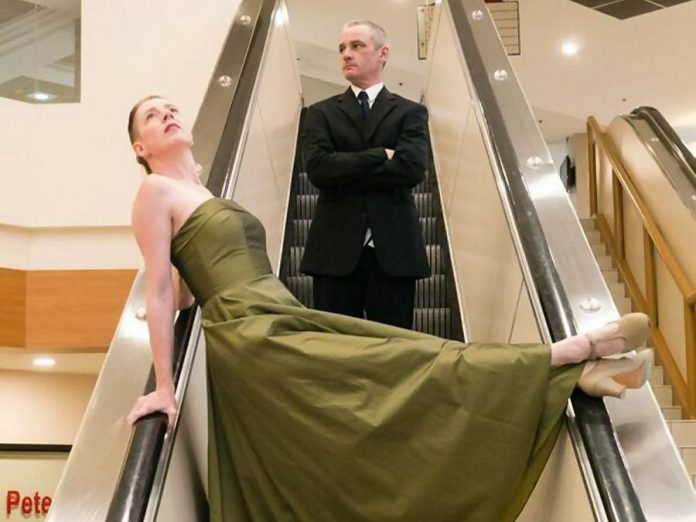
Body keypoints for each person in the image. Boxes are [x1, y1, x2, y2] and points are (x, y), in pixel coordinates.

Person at [125, 95, 654, 522]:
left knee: (404, 348)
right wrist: (166, 390)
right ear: (139, 145)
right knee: (397, 363)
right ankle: (569, 355)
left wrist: (185, 287)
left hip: (276, 310)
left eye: (171, 108)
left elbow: (188, 278)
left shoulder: (202, 190)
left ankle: (570, 371)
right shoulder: (155, 190)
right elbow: (163, 288)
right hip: (249, 336)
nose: (168, 114)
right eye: (153, 115)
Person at [300, 20, 430, 329]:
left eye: (357, 46)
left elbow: (411, 169)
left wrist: (344, 166)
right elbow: (319, 170)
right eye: (342, 48)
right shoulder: (320, 113)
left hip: (394, 251)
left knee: (396, 351)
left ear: (383, 54)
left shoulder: (410, 112)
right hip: (334, 253)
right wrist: (379, 155)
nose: (346, 54)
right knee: (338, 352)